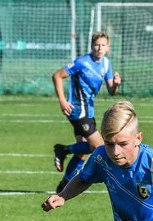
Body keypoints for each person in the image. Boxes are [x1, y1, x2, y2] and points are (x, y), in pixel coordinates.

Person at [52, 31, 121, 194]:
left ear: (108, 47)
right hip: (76, 109)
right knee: (98, 146)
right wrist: (62, 100)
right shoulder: (82, 62)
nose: (99, 48)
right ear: (91, 46)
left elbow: (111, 91)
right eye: (97, 44)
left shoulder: (106, 64)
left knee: (83, 151)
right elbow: (57, 76)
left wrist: (116, 84)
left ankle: (64, 185)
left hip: (88, 110)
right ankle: (64, 150)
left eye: (103, 45)